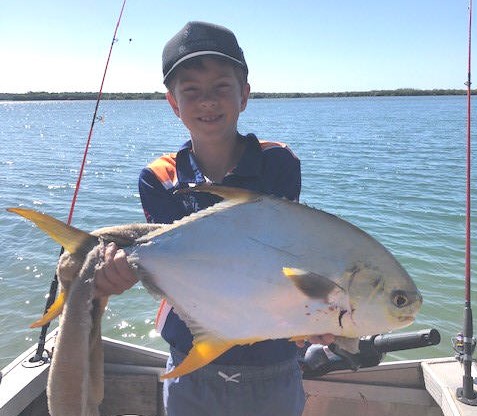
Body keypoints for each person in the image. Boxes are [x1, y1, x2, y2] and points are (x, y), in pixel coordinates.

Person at [94, 21, 334, 416]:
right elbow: (171, 266)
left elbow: (283, 258)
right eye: (191, 91)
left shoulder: (279, 162)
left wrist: (319, 314)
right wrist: (120, 276)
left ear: (244, 95)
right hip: (192, 361)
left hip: (272, 363)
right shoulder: (158, 177)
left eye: (222, 87)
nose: (208, 101)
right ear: (173, 103)